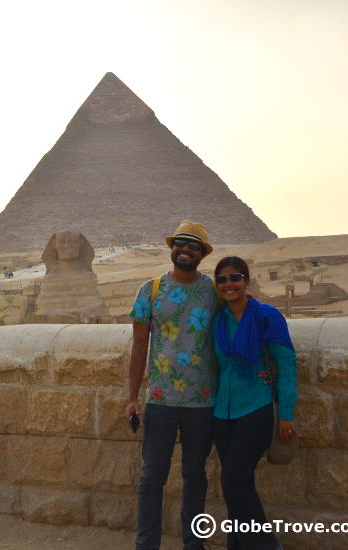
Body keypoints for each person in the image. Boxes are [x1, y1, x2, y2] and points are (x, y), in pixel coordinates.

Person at [126, 220, 220, 550]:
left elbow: (234, 332)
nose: (185, 249)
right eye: (181, 242)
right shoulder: (149, 290)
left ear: (203, 254)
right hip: (161, 399)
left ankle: (193, 545)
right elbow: (139, 347)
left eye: (194, 245)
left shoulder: (214, 291)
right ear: (172, 247)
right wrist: (132, 398)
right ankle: (146, 545)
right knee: (152, 477)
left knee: (195, 477)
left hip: (202, 401)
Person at [212, 256, 296, 550]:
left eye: (235, 278)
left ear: (246, 281)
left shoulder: (267, 316)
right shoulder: (218, 322)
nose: (229, 284)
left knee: (233, 481)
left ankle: (266, 546)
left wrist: (286, 414)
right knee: (239, 483)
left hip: (256, 408)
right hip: (223, 413)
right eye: (221, 279)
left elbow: (286, 364)